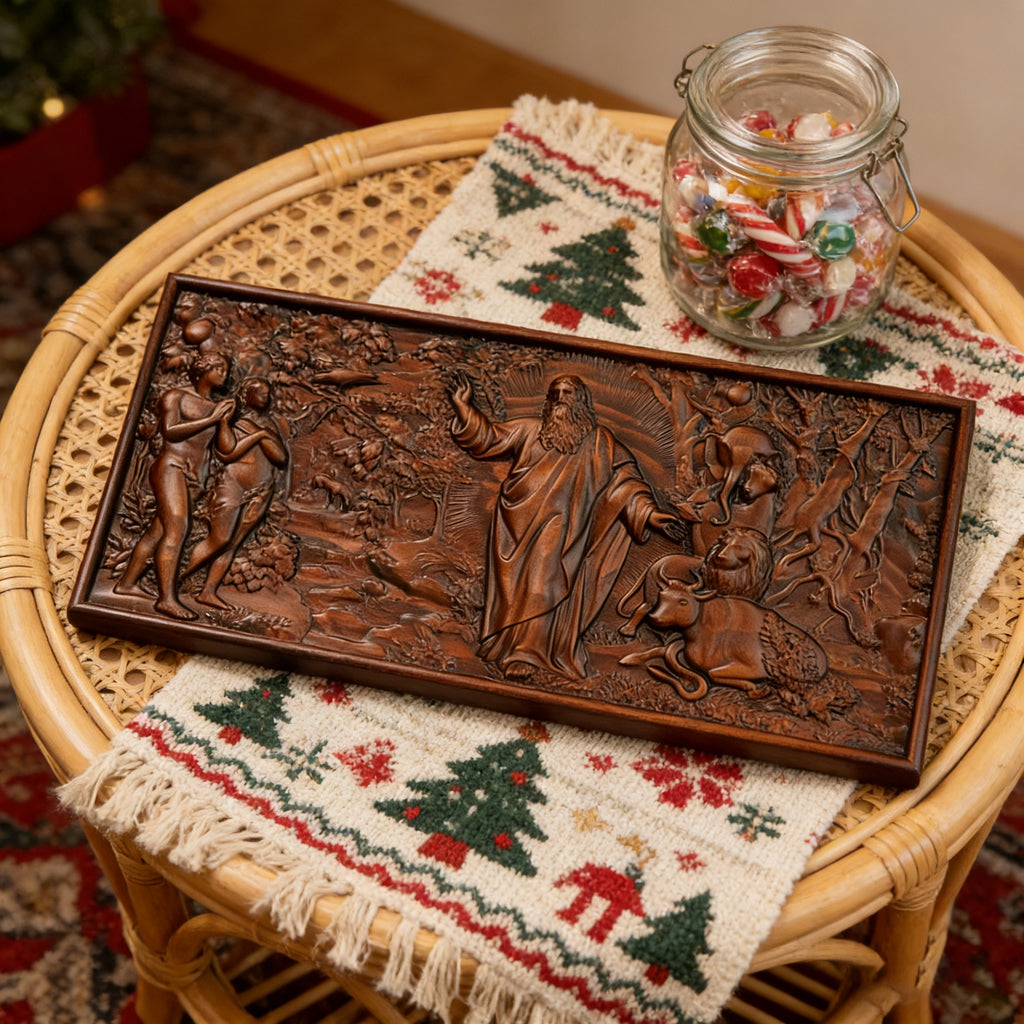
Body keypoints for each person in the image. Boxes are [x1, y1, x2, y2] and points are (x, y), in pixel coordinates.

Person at [450, 372, 684, 679]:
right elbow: (488, 438)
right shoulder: (530, 430)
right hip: (516, 523)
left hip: (564, 531)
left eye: (568, 393)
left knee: (545, 579)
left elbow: (626, 484)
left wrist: (650, 514)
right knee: (519, 589)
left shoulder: (600, 442)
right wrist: (463, 407)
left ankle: (528, 652)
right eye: (555, 393)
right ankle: (512, 645)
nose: (560, 398)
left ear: (582, 401)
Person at [114, 352, 235, 619]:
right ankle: (166, 599)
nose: (224, 374)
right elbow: (170, 430)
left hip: (194, 477)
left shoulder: (214, 406)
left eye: (226, 369)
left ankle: (126, 584)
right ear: (204, 369)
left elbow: (226, 450)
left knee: (157, 531)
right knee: (177, 529)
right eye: (219, 368)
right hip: (172, 467)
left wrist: (224, 421)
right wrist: (212, 419)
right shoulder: (175, 396)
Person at [181, 376, 288, 608]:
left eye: (267, 393)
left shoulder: (268, 424)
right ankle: (174, 579)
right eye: (260, 392)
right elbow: (226, 451)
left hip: (260, 490)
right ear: (246, 394)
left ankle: (208, 591)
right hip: (232, 484)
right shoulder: (232, 417)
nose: (266, 397)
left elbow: (280, 457)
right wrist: (260, 435)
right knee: (220, 538)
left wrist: (262, 433)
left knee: (233, 542)